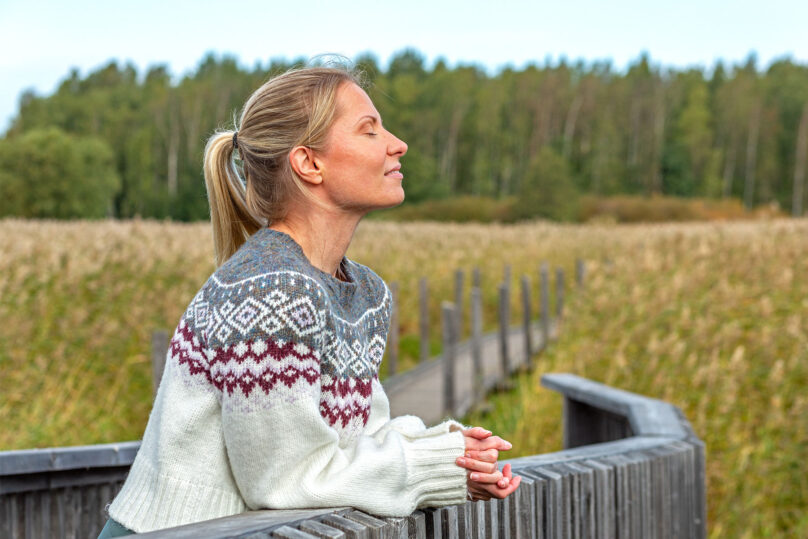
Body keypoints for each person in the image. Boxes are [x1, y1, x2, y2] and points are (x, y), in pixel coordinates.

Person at [99, 65, 520, 537]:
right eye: (369, 130)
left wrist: (453, 453)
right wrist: (431, 467)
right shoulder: (270, 290)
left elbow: (355, 441)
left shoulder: (361, 291)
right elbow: (286, 479)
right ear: (309, 163)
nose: (396, 143)